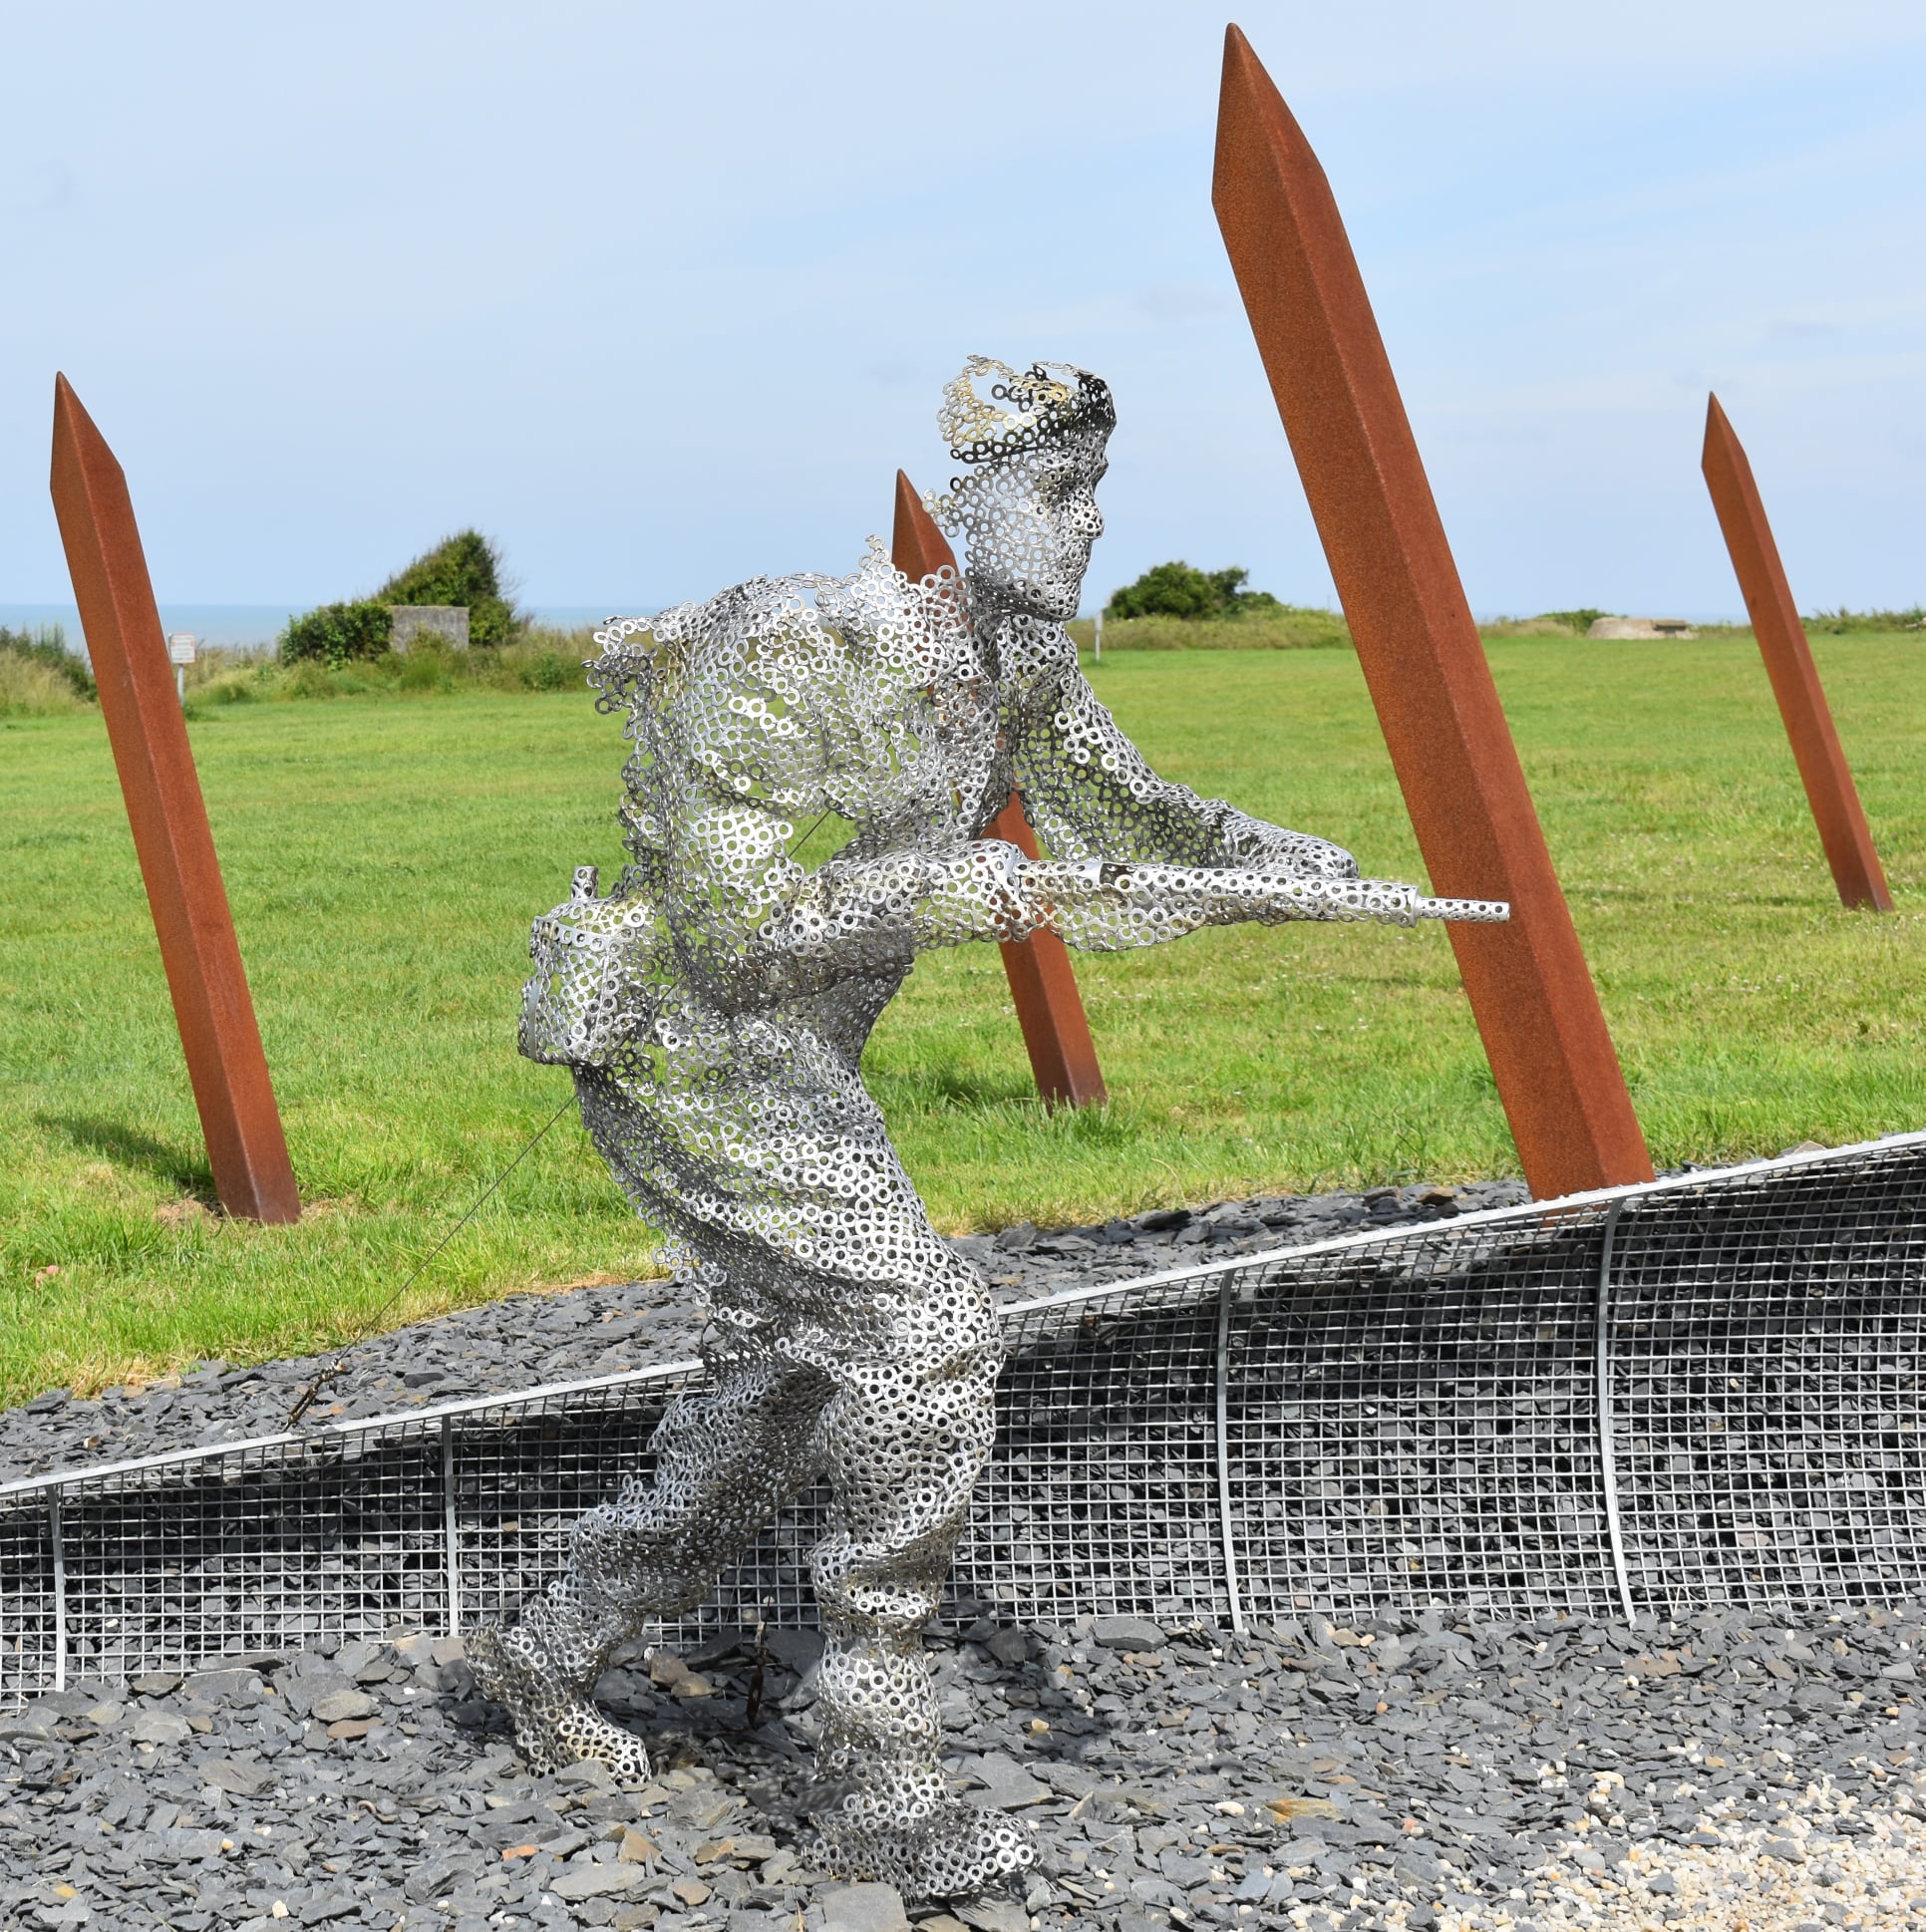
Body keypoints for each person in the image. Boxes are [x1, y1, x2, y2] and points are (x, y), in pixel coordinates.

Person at [469, 358, 1501, 1896]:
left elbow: (1141, 824)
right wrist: (933, 892)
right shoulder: (798, 644)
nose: (1087, 527)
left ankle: (547, 1647)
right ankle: (879, 1772)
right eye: (1057, 493)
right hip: (688, 1047)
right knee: (928, 1333)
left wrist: (1294, 868)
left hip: (793, 1062)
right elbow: (733, 932)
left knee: (774, 1390)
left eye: (1099, 495)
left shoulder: (1022, 671)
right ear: (969, 499)